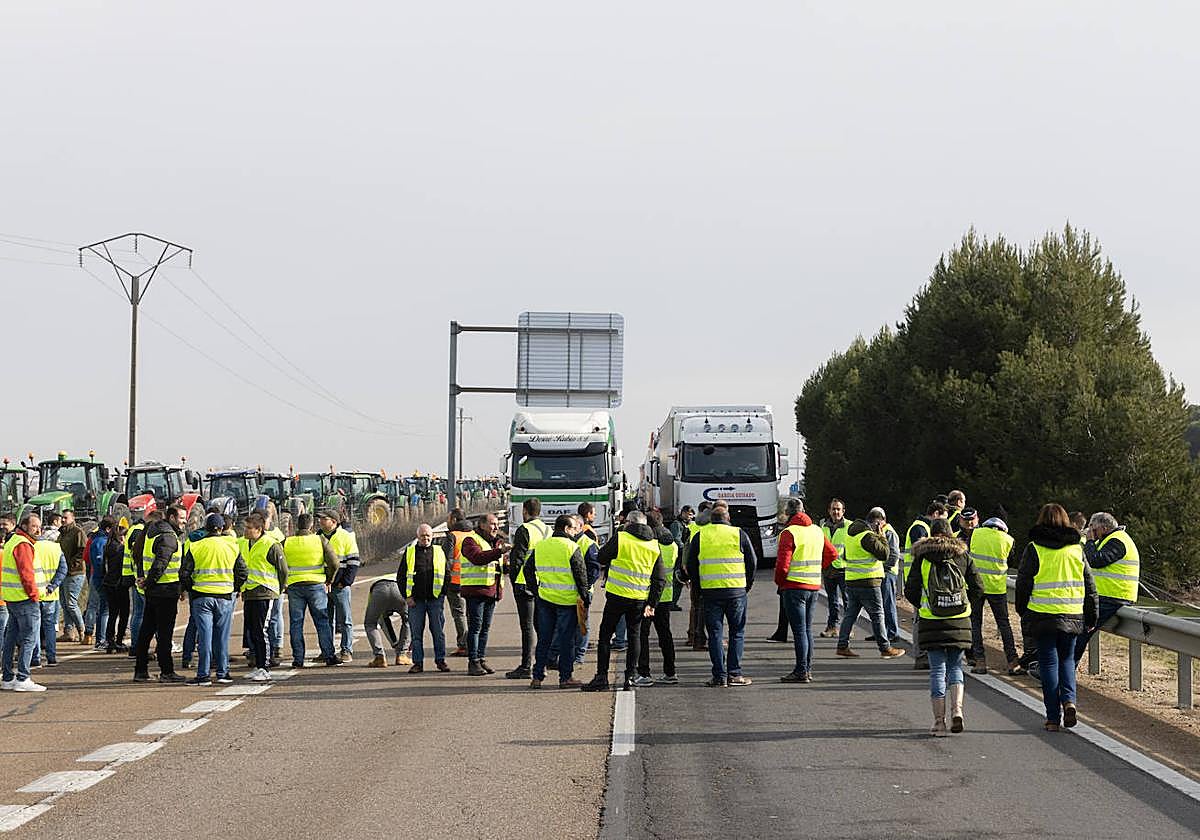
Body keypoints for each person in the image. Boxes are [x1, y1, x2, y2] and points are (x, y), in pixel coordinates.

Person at [1015, 503, 1098, 732]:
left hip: (1042, 614)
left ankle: (1053, 717)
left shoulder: (1034, 548)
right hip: (1072, 613)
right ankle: (1069, 701)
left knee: (1048, 664)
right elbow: (1090, 586)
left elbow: (1023, 583)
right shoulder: (1076, 549)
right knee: (1067, 660)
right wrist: (1092, 616)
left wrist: (1023, 611)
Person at [905, 518, 984, 735]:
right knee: (956, 667)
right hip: (959, 619)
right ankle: (957, 710)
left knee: (937, 671)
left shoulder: (922, 557)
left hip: (932, 620)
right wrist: (964, 603)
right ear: (951, 534)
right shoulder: (962, 555)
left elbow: (910, 590)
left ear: (931, 534)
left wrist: (925, 605)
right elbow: (978, 587)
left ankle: (939, 722)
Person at [583, 510, 666, 691]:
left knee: (606, 635)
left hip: (617, 596)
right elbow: (660, 578)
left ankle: (602, 677)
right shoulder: (653, 545)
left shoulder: (621, 538)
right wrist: (652, 603)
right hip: (639, 599)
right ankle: (629, 677)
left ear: (628, 523)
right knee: (634, 636)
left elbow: (602, 557)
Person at [686, 501, 757, 687]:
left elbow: (691, 564)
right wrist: (747, 584)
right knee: (737, 633)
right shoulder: (738, 534)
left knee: (715, 634)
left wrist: (698, 586)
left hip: (710, 592)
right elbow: (752, 561)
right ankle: (734, 674)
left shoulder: (701, 536)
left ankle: (718, 676)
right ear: (728, 519)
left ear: (711, 519)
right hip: (736, 592)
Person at [775, 499, 838, 683]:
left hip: (794, 586)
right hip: (813, 585)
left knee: (799, 631)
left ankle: (801, 671)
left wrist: (780, 582)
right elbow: (832, 553)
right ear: (803, 510)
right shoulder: (817, 530)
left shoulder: (789, 532)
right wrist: (818, 568)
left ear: (787, 513)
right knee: (807, 630)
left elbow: (782, 565)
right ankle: (806, 669)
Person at [181, 512, 247, 686]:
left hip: (201, 596)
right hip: (225, 596)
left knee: (204, 637)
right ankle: (223, 672)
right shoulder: (232, 546)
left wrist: (191, 589)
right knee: (222, 638)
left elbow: (185, 573)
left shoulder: (196, 546)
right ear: (222, 528)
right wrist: (235, 587)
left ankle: (203, 675)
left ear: (206, 528)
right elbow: (242, 572)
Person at [526, 514, 589, 688]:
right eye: (574, 528)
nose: (576, 532)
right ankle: (565, 678)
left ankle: (537, 676)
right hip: (567, 602)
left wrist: (536, 590)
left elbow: (528, 569)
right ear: (567, 529)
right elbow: (581, 576)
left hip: (545, 599)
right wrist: (585, 598)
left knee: (544, 639)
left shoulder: (541, 546)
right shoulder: (571, 547)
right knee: (566, 640)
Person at [836, 508, 907, 659]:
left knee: (850, 614)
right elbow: (885, 553)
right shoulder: (868, 536)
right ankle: (885, 648)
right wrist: (881, 536)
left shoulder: (851, 536)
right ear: (876, 522)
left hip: (852, 580)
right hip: (869, 581)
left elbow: (846, 556)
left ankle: (842, 645)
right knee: (878, 614)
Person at [131, 503, 187, 682]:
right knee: (164, 634)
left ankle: (140, 670)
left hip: (153, 590)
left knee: (146, 631)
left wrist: (145, 580)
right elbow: (160, 564)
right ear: (171, 518)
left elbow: (141, 558)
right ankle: (167, 671)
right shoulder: (168, 537)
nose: (184, 522)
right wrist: (149, 580)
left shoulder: (150, 532)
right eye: (181, 518)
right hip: (165, 590)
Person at [1074, 512, 1139, 665]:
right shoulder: (1106, 540)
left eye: (1093, 529)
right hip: (1104, 596)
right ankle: (1061, 671)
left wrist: (1089, 541)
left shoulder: (1118, 541)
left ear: (1104, 528)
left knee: (1080, 632)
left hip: (1114, 596)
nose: (1091, 532)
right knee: (1074, 628)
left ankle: (1062, 672)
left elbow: (1096, 560)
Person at [283, 513, 341, 668]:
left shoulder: (287, 542)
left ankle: (298, 659)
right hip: (316, 585)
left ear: (297, 525)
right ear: (311, 526)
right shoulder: (319, 540)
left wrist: (284, 583)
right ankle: (329, 655)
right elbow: (334, 563)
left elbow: (281, 564)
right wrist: (329, 579)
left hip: (294, 586)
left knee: (296, 623)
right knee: (322, 621)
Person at [968, 517, 1021, 675]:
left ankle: (979, 661)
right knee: (1004, 624)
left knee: (975, 623)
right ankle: (1012, 661)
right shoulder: (1008, 539)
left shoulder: (975, 534)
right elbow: (1011, 561)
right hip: (997, 587)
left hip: (976, 585)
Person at [506, 498, 551, 680]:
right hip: (543, 582)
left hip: (524, 583)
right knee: (541, 626)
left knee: (526, 627)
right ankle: (543, 663)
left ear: (525, 511)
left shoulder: (524, 530)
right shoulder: (548, 529)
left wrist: (514, 581)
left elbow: (518, 559)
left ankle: (526, 666)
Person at [459, 511, 510, 676]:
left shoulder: (496, 542)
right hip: (476, 590)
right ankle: (473, 661)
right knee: (475, 628)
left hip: (491, 591)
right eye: (492, 524)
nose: (496, 527)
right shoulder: (470, 540)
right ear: (482, 525)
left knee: (485, 629)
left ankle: (480, 658)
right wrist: (500, 552)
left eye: (497, 524)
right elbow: (477, 558)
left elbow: (500, 567)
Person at [1, 512, 47, 691]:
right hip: (25, 599)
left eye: (39, 526)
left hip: (12, 598)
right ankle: (23, 677)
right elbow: (26, 573)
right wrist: (34, 595)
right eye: (34, 526)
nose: (38, 529)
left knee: (10, 638)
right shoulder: (23, 544)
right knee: (28, 638)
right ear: (25, 525)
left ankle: (7, 677)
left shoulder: (13, 540)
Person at [239, 512, 287, 681]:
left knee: (262, 631)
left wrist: (279, 589)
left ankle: (265, 666)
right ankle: (259, 665)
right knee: (252, 631)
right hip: (250, 592)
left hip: (265, 592)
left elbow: (283, 570)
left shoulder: (270, 544)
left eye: (249, 528)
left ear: (259, 529)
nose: (245, 530)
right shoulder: (244, 543)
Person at [398, 523, 450, 674]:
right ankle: (418, 663)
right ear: (417, 537)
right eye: (422, 536)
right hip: (416, 601)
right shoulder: (410, 552)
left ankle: (440, 661)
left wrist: (442, 595)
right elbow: (401, 577)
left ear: (432, 537)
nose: (425, 538)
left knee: (438, 632)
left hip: (435, 599)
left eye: (428, 536)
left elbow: (447, 574)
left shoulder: (439, 551)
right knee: (416, 634)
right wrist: (407, 597)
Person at [634, 510, 678, 686]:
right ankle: (670, 672)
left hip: (646, 596)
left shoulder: (648, 544)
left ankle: (644, 673)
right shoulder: (672, 545)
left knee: (642, 635)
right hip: (666, 596)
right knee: (665, 634)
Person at [904, 501, 948, 670]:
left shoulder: (921, 526)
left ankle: (925, 654)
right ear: (936, 514)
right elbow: (923, 554)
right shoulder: (920, 528)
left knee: (924, 619)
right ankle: (921, 655)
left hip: (922, 581)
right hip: (920, 583)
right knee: (919, 620)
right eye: (942, 519)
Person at [318, 509, 360, 662]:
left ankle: (346, 650)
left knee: (345, 619)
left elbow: (354, 561)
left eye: (324, 519)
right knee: (326, 619)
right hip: (323, 585)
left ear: (334, 522)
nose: (321, 521)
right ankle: (327, 651)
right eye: (320, 519)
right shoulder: (317, 537)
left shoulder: (345, 537)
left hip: (339, 586)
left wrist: (345, 582)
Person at [124, 511, 157, 657]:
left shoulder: (135, 533)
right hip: (145, 581)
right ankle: (142, 647)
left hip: (136, 578)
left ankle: (136, 646)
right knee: (151, 616)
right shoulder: (145, 537)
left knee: (138, 614)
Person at [33, 529, 67, 667]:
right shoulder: (56, 548)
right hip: (51, 594)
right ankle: (51, 657)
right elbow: (63, 570)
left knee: (34, 627)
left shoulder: (31, 546)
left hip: (34, 593)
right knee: (50, 627)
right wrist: (53, 586)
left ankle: (35, 657)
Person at [440, 508, 471, 657]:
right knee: (472, 614)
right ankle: (472, 643)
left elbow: (448, 561)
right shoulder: (473, 534)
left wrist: (443, 580)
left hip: (455, 582)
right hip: (473, 581)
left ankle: (463, 644)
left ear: (453, 520)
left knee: (458, 614)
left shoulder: (452, 537)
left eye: (448, 519)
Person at [818, 499, 850, 638]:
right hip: (828, 569)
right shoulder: (823, 527)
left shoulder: (849, 526)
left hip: (844, 568)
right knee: (832, 601)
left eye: (838, 509)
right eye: (833, 509)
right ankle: (832, 627)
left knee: (848, 601)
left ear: (843, 511)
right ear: (829, 511)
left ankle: (848, 628)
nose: (836, 512)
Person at [364, 577, 411, 668]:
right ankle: (402, 655)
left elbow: (382, 619)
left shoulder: (373, 589)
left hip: (379, 590)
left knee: (370, 623)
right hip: (398, 588)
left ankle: (379, 657)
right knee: (408, 621)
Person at [57, 510, 87, 643]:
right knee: (64, 603)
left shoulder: (77, 532)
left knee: (71, 603)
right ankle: (68, 632)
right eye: (61, 518)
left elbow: (83, 551)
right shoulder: (62, 533)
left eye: (65, 518)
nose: (63, 520)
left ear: (72, 518)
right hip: (63, 572)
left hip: (75, 572)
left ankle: (82, 630)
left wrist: (71, 564)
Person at [102, 520, 131, 653]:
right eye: (122, 536)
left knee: (113, 613)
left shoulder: (108, 546)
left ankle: (110, 641)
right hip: (119, 583)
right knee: (124, 613)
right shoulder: (120, 549)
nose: (123, 539)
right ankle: (118, 640)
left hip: (108, 583)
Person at [84, 518, 112, 650]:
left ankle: (100, 637)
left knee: (100, 607)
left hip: (97, 577)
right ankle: (101, 639)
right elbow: (100, 562)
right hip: (101, 579)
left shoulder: (95, 539)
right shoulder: (102, 541)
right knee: (104, 609)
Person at [685, 502, 709, 650]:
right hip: (705, 573)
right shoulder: (707, 529)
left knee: (695, 607)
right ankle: (696, 637)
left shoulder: (692, 527)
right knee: (700, 607)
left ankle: (693, 636)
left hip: (696, 572)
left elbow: (686, 550)